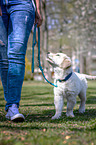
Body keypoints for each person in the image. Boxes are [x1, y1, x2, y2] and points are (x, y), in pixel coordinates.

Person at [0, 0, 42, 122]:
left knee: (16, 52)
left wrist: (38, 9)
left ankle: (13, 106)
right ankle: (10, 107)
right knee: (3, 59)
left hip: (22, 4)